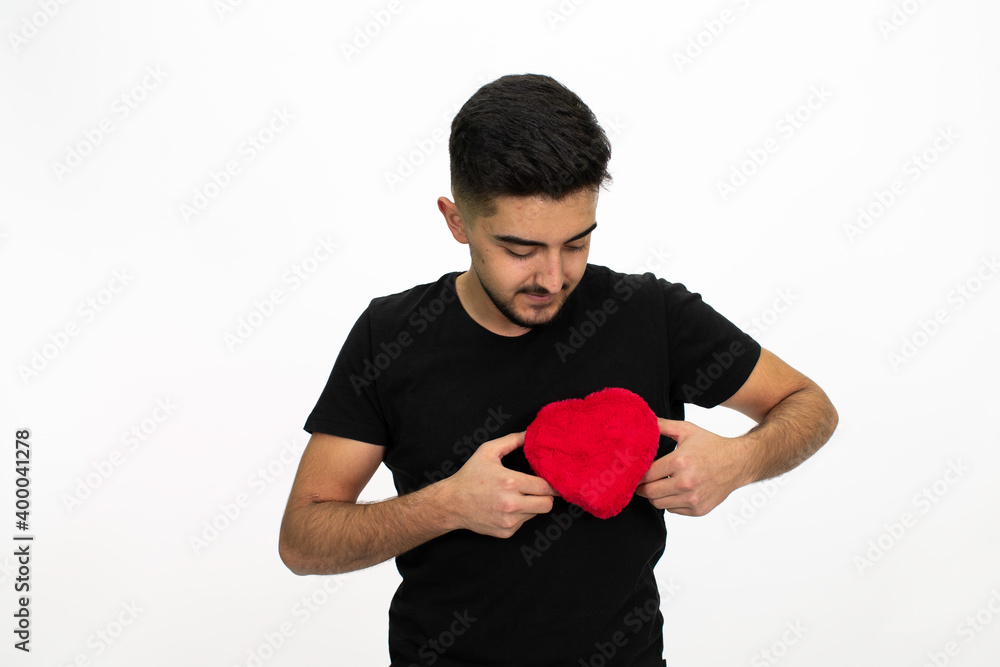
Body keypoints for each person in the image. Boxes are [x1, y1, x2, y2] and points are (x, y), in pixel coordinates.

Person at [278, 73, 838, 666]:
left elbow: (809, 405)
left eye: (576, 244)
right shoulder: (390, 336)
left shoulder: (651, 314)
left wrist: (740, 460)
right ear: (456, 221)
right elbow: (304, 541)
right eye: (520, 250)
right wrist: (447, 505)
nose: (552, 277)